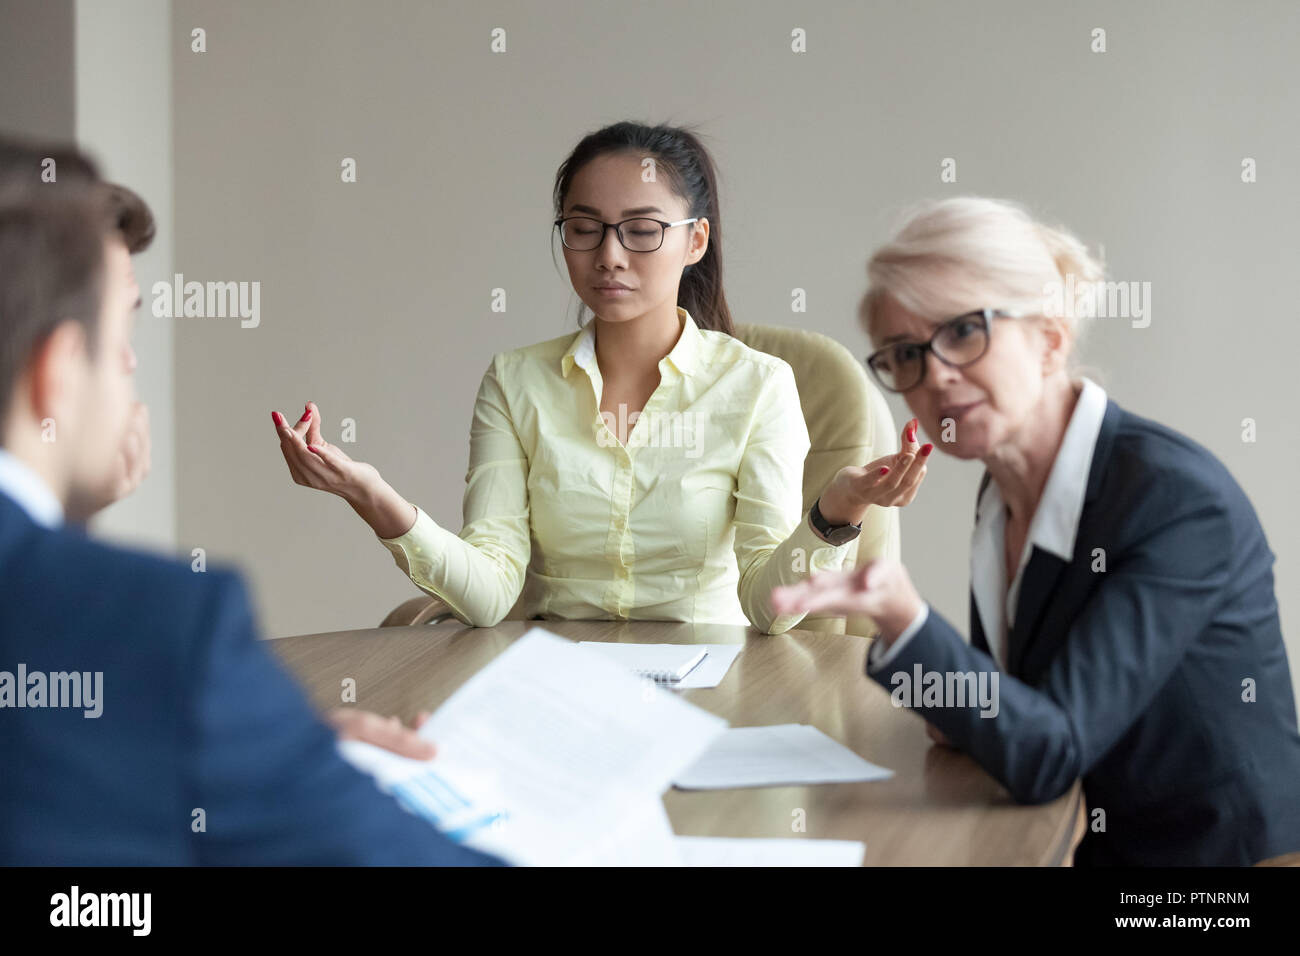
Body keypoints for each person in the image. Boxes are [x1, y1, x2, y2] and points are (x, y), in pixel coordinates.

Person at [0, 135, 501, 865]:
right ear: (58, 371)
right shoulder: (161, 632)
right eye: (121, 334)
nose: (133, 365)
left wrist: (264, 753)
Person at [771, 196, 1300, 865]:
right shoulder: (1004, 488)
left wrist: (905, 619)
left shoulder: (1176, 500)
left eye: (963, 331)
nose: (935, 376)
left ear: (1050, 338)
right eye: (905, 354)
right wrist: (954, 702)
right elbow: (1014, 711)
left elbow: (1048, 751)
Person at [271, 121, 928, 633]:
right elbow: (491, 594)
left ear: (695, 241)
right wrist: (372, 496)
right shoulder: (516, 381)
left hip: (715, 686)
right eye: (585, 229)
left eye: (641, 231)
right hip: (557, 687)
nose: (609, 256)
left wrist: (839, 508)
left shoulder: (758, 385)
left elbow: (770, 607)